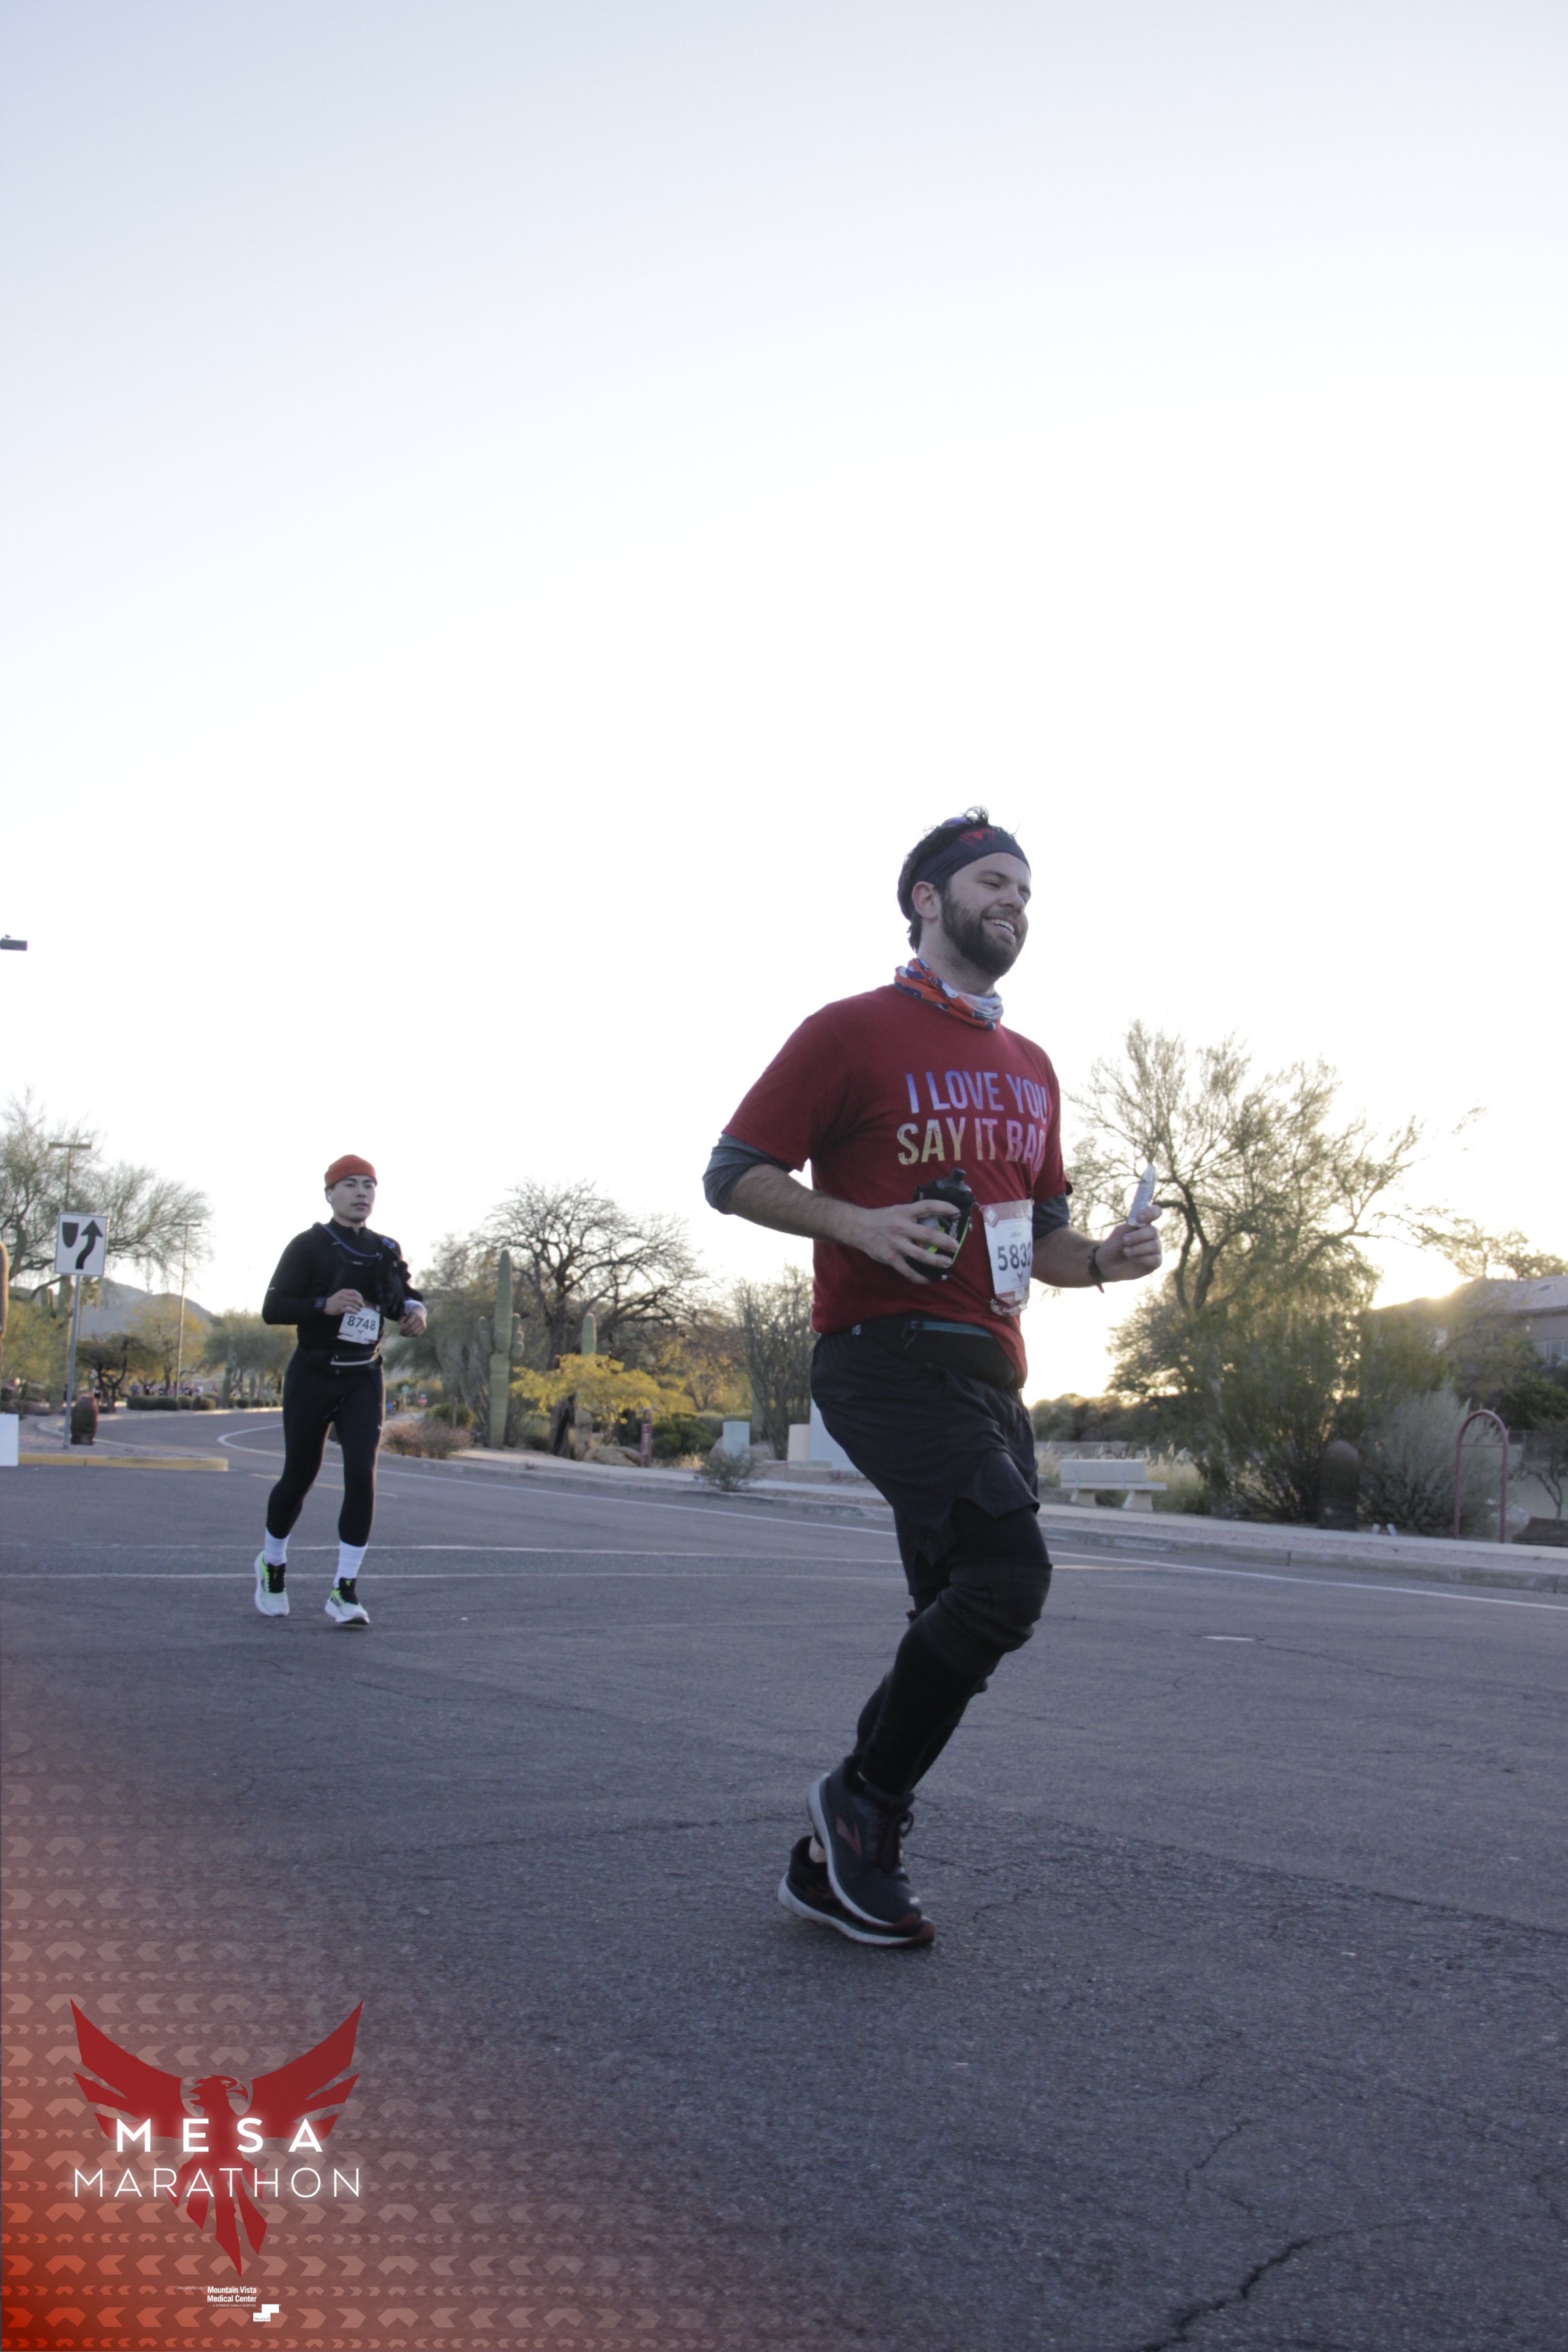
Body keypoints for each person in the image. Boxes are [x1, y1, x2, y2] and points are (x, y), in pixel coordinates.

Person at [703, 810, 1162, 1947]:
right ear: (927, 899)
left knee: (953, 1615)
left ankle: (834, 1859)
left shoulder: (1031, 1066)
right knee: (1007, 1578)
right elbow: (733, 1172)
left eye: (1025, 891)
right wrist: (858, 1222)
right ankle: (858, 1804)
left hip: (991, 1375)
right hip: (881, 1356)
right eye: (994, 882)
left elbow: (1039, 1240)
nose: (1014, 903)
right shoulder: (849, 1030)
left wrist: (1103, 1261)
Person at [254, 1156, 426, 1628]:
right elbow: (273, 1308)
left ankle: (344, 1590)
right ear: (329, 1193)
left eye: (369, 1185)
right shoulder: (308, 1245)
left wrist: (417, 1313)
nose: (361, 1193)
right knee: (300, 1477)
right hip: (313, 1375)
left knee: (361, 1477)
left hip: (363, 1377)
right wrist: (323, 1305)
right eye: (350, 1184)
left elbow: (404, 1297)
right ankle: (272, 1565)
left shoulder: (385, 1248)